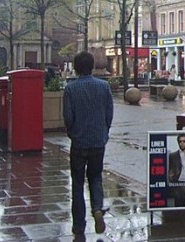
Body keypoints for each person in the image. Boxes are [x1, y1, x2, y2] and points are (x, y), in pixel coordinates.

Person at [63, 51, 114, 236]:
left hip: (79, 142)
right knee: (95, 177)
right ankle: (97, 208)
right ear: (92, 66)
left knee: (77, 182)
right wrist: (104, 132)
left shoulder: (70, 89)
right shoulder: (104, 87)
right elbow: (109, 114)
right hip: (97, 141)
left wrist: (72, 132)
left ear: (76, 68)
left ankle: (78, 225)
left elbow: (68, 117)